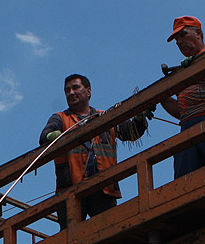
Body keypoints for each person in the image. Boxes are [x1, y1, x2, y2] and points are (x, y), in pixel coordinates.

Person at [40, 73, 150, 224]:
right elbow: (44, 136)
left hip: (104, 188)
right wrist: (53, 136)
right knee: (71, 238)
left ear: (88, 91)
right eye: (67, 90)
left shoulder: (105, 117)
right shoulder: (60, 118)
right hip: (70, 190)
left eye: (75, 87)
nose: (71, 92)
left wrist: (138, 119)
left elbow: (129, 132)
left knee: (109, 230)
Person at [160, 16, 205, 178]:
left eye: (183, 35)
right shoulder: (181, 72)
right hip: (187, 127)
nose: (179, 42)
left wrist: (197, 65)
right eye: (176, 40)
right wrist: (163, 99)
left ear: (198, 34)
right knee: (185, 183)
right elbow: (183, 111)